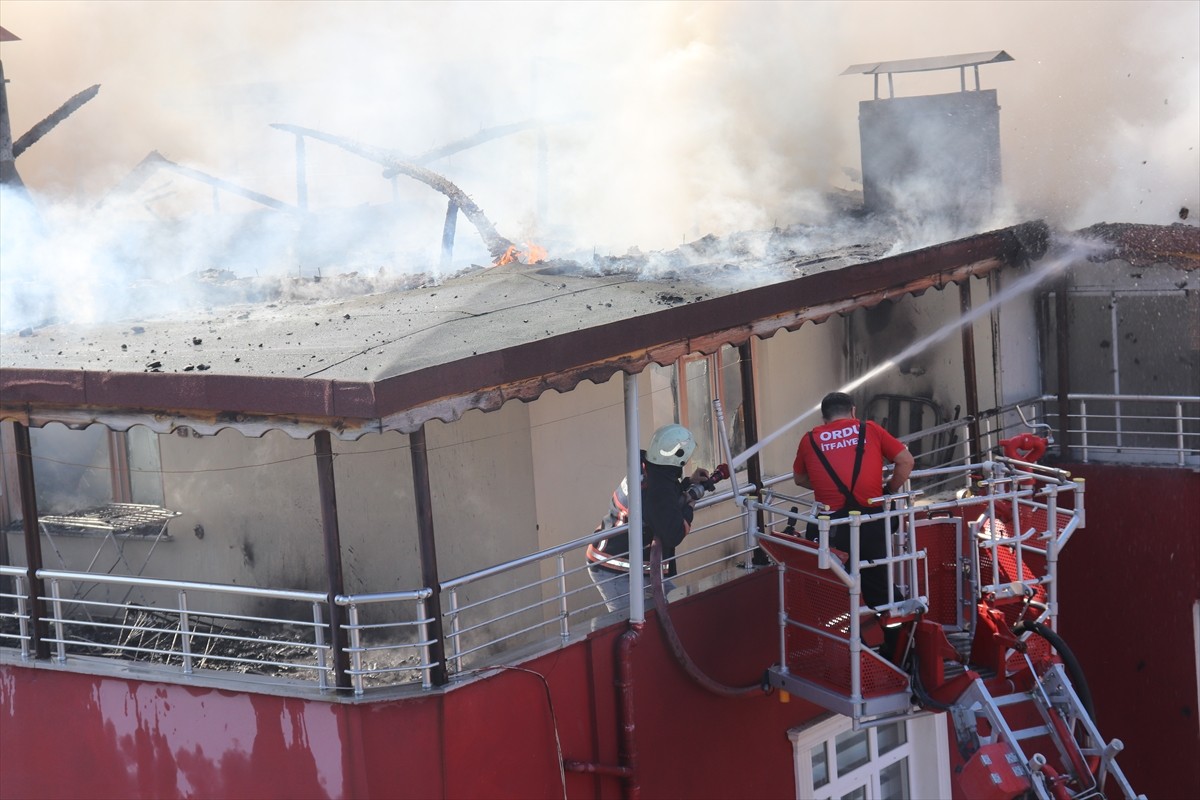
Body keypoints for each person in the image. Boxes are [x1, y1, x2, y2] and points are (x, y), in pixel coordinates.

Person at [792, 392, 914, 609]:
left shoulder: (809, 439)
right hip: (872, 522)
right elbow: (905, 461)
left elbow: (800, 479)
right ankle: (897, 633)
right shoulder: (870, 429)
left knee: (830, 588)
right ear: (853, 411)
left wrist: (826, 485)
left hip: (832, 530)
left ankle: (844, 633)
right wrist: (888, 490)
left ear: (824, 418)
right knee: (879, 584)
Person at [586, 424, 724, 614]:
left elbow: (659, 502)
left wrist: (688, 483)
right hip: (614, 567)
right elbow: (673, 533)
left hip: (638, 562)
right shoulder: (657, 487)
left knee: (671, 609)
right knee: (629, 622)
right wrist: (690, 503)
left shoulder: (649, 468)